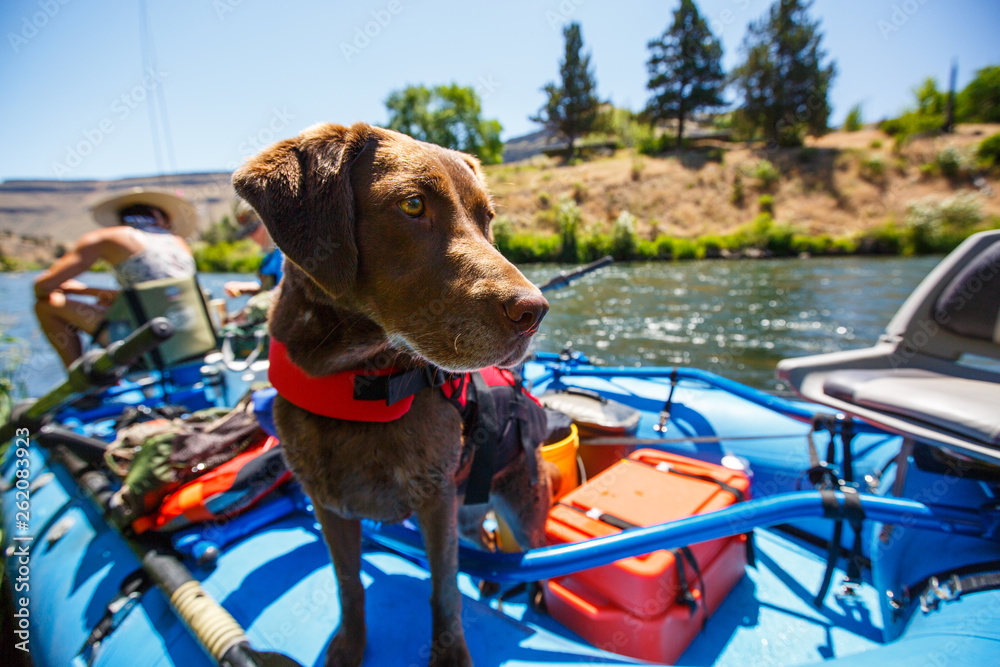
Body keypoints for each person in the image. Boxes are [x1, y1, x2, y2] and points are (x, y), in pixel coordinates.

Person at [33, 187, 198, 368]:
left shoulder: (107, 237)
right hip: (193, 335)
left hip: (147, 339)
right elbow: (152, 295)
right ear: (157, 217)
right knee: (108, 304)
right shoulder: (179, 241)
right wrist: (97, 294)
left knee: (45, 304)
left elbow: (42, 286)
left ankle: (80, 381)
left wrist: (76, 289)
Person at [223, 200, 283, 299]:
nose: (251, 237)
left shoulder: (284, 256)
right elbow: (269, 285)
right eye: (248, 233)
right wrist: (243, 288)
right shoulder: (269, 255)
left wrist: (254, 307)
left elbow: (287, 292)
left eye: (253, 230)